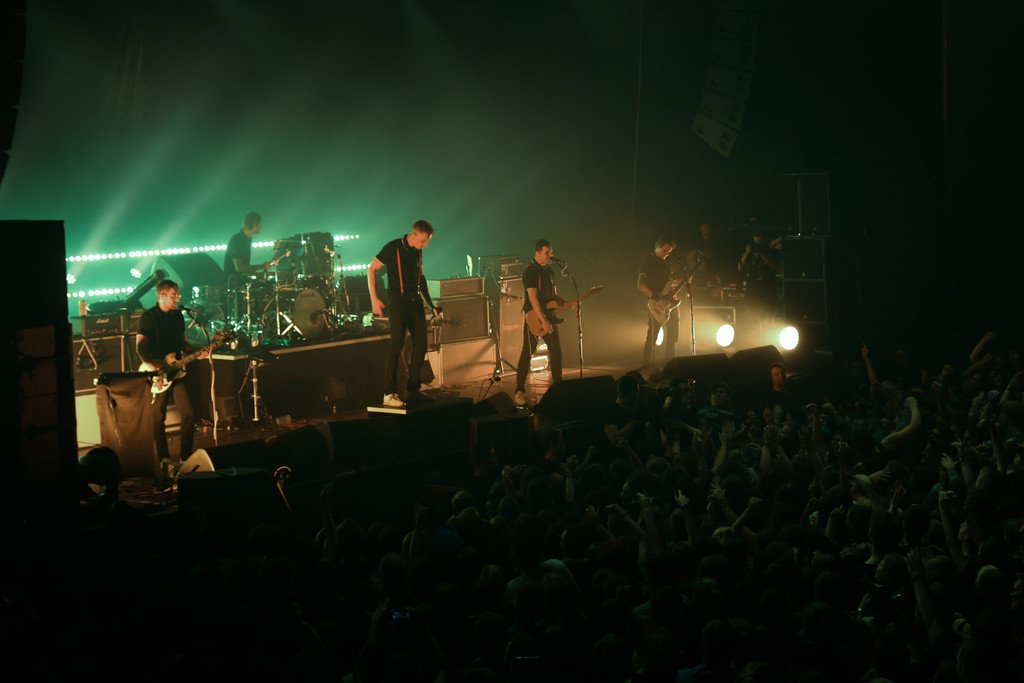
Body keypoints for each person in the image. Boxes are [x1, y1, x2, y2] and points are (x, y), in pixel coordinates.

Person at [136, 279, 208, 480]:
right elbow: (140, 347)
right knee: (158, 416)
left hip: (177, 371)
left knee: (189, 413)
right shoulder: (148, 317)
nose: (177, 298)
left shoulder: (177, 316)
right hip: (156, 372)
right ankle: (163, 458)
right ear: (161, 296)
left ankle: (186, 457)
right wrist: (153, 368)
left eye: (177, 295)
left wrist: (198, 352)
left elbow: (183, 343)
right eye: (173, 295)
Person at [367, 220, 441, 408]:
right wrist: (374, 299)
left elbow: (420, 278)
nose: (426, 244)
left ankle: (413, 390)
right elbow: (371, 268)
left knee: (421, 344)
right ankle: (388, 393)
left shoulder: (418, 251)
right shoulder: (392, 248)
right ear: (413, 235)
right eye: (423, 241)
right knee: (397, 344)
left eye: (428, 241)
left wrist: (430, 304)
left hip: (415, 303)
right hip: (398, 303)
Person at [514, 239, 564, 407]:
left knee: (556, 351)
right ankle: (519, 391)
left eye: (551, 251)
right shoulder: (530, 272)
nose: (551, 255)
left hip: (548, 316)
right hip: (534, 318)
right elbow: (533, 298)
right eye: (547, 252)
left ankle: (558, 387)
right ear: (537, 253)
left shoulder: (549, 271)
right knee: (527, 353)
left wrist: (570, 303)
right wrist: (543, 320)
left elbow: (553, 296)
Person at [637, 235, 684, 366]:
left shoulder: (666, 261)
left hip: (669, 303)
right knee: (652, 338)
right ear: (657, 247)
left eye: (669, 252)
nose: (667, 254)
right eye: (665, 251)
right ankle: (646, 368)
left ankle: (670, 366)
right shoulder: (649, 262)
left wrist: (681, 281)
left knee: (673, 336)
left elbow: (667, 282)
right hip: (656, 304)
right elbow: (641, 285)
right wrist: (658, 299)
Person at [736, 226, 781, 316]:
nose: (758, 240)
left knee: (767, 312)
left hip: (766, 287)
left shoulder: (771, 250)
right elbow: (740, 267)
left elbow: (774, 266)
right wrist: (747, 253)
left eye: (759, 238)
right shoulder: (750, 250)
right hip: (752, 286)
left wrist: (762, 254)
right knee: (751, 311)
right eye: (755, 238)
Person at [224, 211, 274, 281]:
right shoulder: (238, 240)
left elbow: (244, 268)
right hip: (233, 282)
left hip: (240, 280)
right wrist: (262, 266)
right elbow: (240, 268)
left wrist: (258, 274)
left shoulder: (246, 239)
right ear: (254, 225)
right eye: (260, 224)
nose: (261, 227)